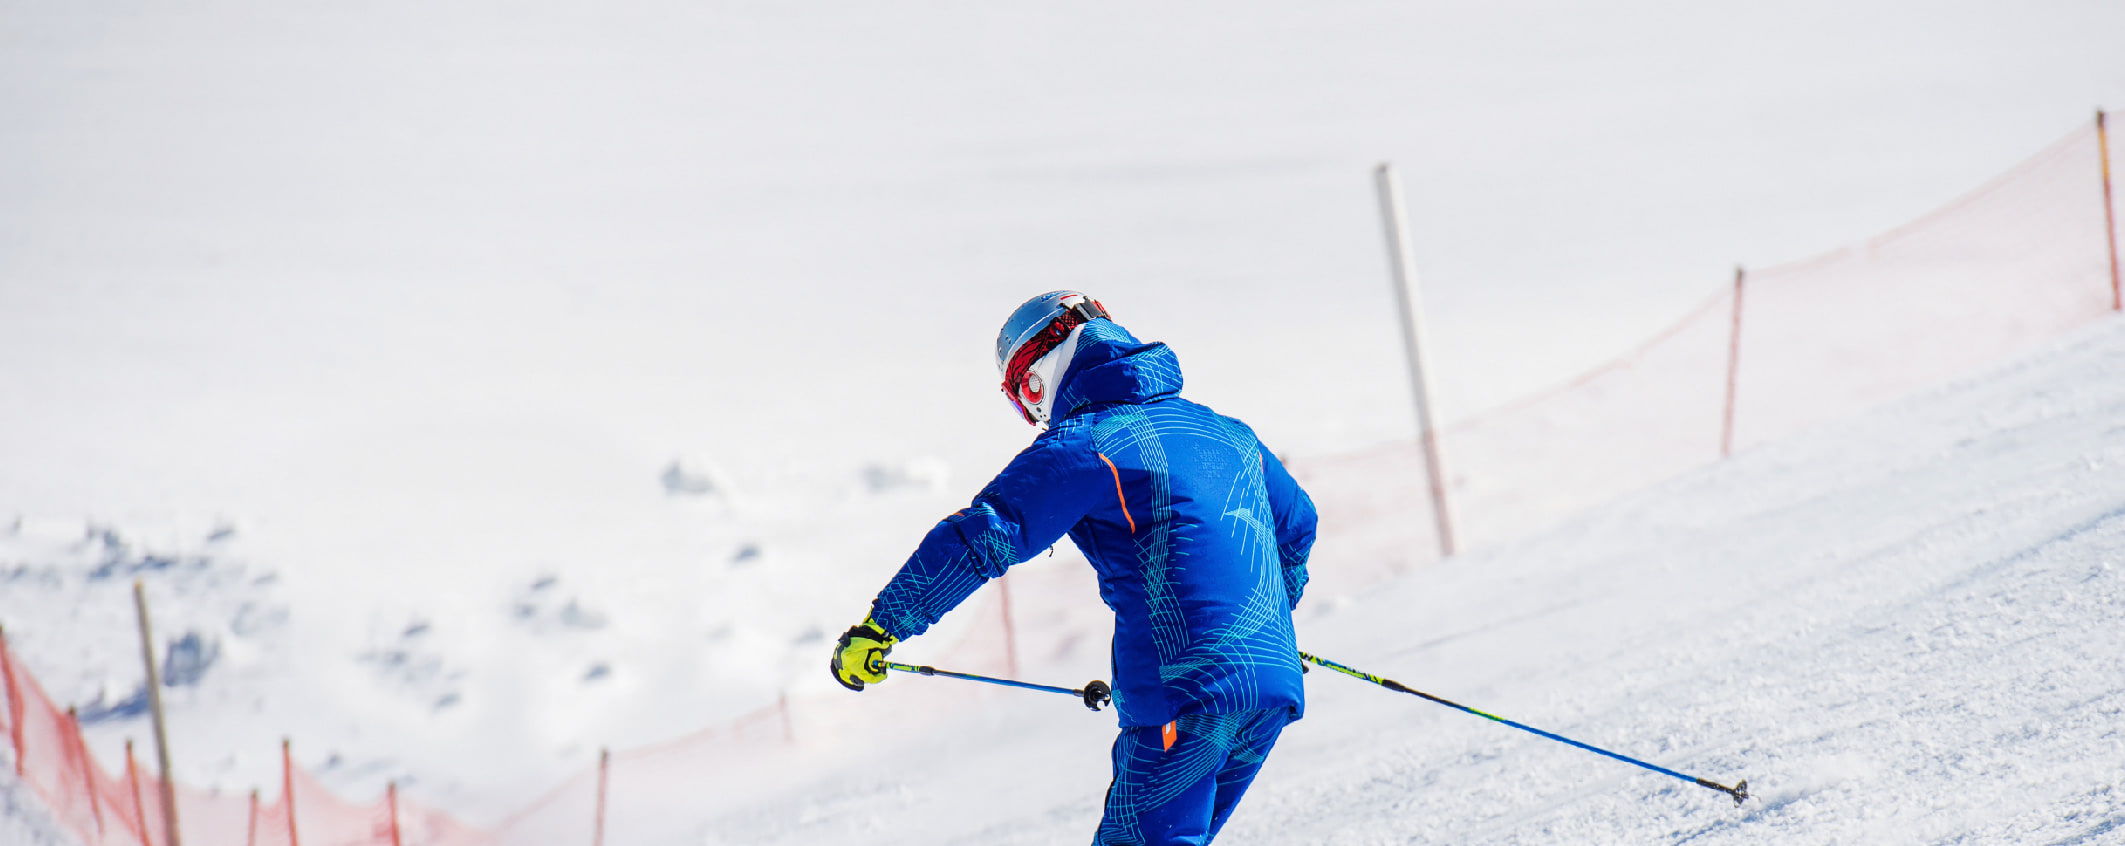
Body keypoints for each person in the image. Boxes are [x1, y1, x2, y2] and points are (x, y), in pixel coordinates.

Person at [830, 291, 1318, 844]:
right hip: (1269, 685)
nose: (1030, 412)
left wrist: (882, 625)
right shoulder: (1229, 433)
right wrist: (1262, 624)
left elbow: (986, 533)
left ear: (1040, 375)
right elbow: (1298, 525)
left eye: (1022, 395)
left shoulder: (1091, 442)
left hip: (1183, 690)